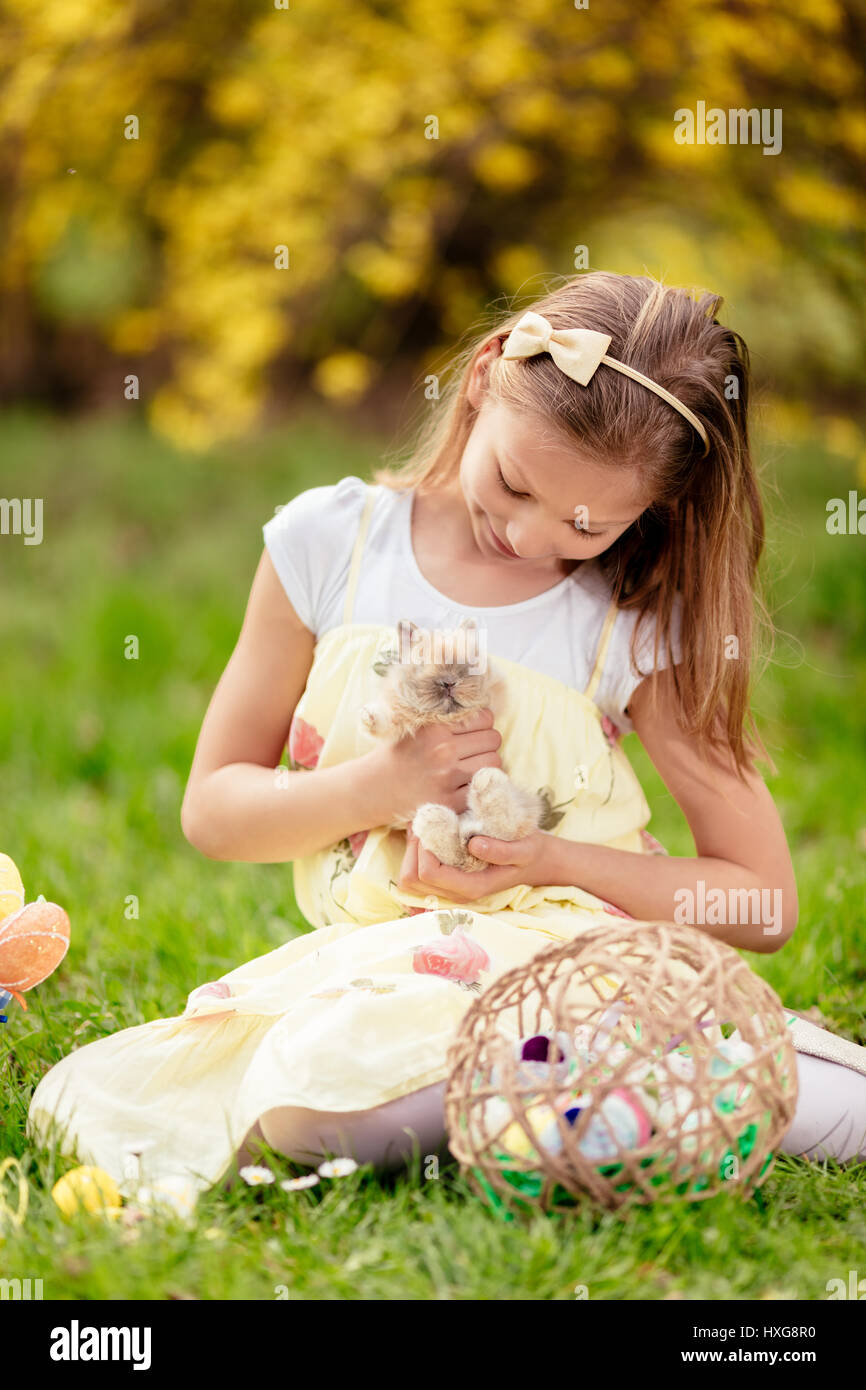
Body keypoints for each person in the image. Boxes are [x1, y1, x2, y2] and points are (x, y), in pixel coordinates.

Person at [27, 272, 866, 1193]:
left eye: (586, 525)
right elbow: (215, 811)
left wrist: (551, 861)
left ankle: (627, 1078)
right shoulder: (329, 547)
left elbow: (760, 902)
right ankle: (620, 1098)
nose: (528, 532)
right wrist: (379, 789)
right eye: (513, 483)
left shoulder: (627, 618)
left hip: (572, 964)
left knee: (472, 1067)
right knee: (288, 1107)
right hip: (387, 973)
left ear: (649, 513)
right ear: (481, 376)